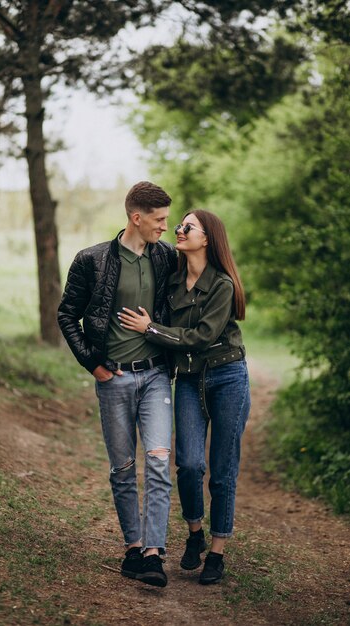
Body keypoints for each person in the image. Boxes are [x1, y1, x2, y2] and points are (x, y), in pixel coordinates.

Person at [118, 209, 251, 585]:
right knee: (190, 464)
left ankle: (217, 554)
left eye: (187, 226)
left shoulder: (222, 284)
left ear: (207, 237)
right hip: (190, 380)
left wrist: (151, 329)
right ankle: (195, 532)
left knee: (223, 472)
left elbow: (203, 337)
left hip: (227, 378)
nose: (178, 229)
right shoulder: (173, 281)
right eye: (178, 225)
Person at [58, 181, 177, 588]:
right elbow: (67, 315)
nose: (166, 227)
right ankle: (133, 546)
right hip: (115, 379)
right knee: (124, 469)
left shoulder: (166, 259)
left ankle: (153, 554)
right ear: (136, 217)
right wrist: (94, 365)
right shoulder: (92, 260)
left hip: (157, 375)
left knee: (159, 463)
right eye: (159, 220)